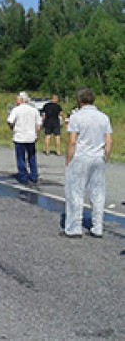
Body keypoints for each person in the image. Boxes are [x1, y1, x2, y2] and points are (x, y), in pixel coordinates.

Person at [62, 88, 113, 238]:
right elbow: (109, 140)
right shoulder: (104, 117)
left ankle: (74, 227)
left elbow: (72, 141)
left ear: (79, 100)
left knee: (75, 192)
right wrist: (106, 156)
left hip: (81, 156)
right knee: (98, 192)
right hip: (98, 156)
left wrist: (68, 159)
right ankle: (97, 226)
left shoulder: (76, 117)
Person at [7, 92, 42, 185]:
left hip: (20, 137)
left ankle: (23, 176)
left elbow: (10, 121)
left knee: (20, 158)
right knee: (32, 156)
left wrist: (12, 128)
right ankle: (34, 175)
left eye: (17, 99)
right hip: (31, 137)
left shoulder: (16, 110)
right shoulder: (34, 110)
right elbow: (38, 125)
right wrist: (35, 133)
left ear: (21, 100)